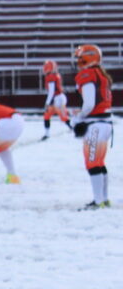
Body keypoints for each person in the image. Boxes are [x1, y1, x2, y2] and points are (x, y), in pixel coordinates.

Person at [70, 44, 113, 210]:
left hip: (96, 124)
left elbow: (89, 104)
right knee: (99, 162)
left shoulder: (87, 74)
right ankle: (104, 198)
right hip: (105, 123)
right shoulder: (101, 74)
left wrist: (78, 117)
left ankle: (98, 201)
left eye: (79, 58)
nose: (77, 61)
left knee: (92, 162)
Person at [41, 59, 71, 140]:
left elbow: (51, 91)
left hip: (57, 99)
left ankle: (73, 128)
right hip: (58, 98)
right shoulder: (55, 75)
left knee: (62, 116)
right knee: (47, 116)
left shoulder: (51, 77)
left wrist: (47, 103)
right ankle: (47, 134)